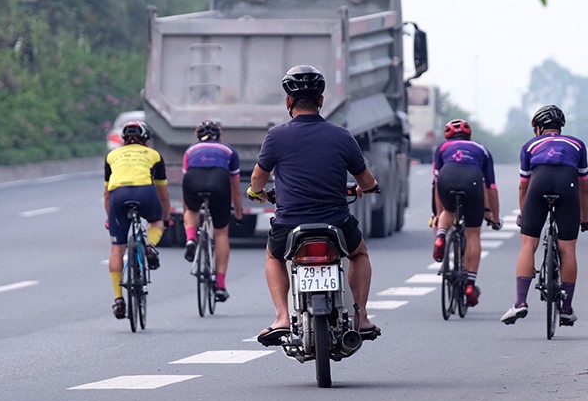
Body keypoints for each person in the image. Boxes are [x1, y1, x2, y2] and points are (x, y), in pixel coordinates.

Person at [247, 64, 381, 346]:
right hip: (336, 222)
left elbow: (259, 177)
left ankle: (282, 317)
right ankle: (362, 316)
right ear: (320, 101)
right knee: (359, 254)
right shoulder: (342, 136)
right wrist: (365, 188)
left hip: (289, 223)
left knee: (274, 256)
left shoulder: (276, 136)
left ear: (288, 102)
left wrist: (255, 192)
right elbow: (366, 179)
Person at [501, 105, 588, 326]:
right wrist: (584, 217)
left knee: (528, 244)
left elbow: (523, 187)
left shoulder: (529, 145)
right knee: (568, 248)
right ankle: (567, 309)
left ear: (539, 128)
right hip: (567, 185)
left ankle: (520, 303)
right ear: (560, 128)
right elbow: (584, 187)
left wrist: (525, 216)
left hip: (538, 184)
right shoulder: (577, 145)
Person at [104, 120, 171, 320]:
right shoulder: (154, 155)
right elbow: (163, 193)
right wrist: (165, 219)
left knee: (117, 248)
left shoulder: (112, 155)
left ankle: (118, 299)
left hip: (118, 196)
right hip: (145, 192)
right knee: (156, 222)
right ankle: (149, 246)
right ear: (146, 140)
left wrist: (110, 218)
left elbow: (107, 193)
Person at [431, 118, 502, 307]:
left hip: (447, 178)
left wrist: (437, 216)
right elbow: (491, 188)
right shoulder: (481, 149)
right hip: (472, 181)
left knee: (448, 210)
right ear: (469, 136)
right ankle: (470, 285)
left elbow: (436, 184)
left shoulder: (441, 149)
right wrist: (494, 217)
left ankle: (440, 237)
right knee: (473, 234)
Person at [181, 119, 244, 301]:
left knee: (192, 211)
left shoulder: (190, 150)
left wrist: (188, 210)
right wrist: (238, 215)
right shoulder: (229, 151)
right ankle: (221, 284)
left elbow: (186, 189)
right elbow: (235, 189)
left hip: (193, 179)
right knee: (221, 233)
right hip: (219, 181)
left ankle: (191, 238)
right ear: (219, 135)